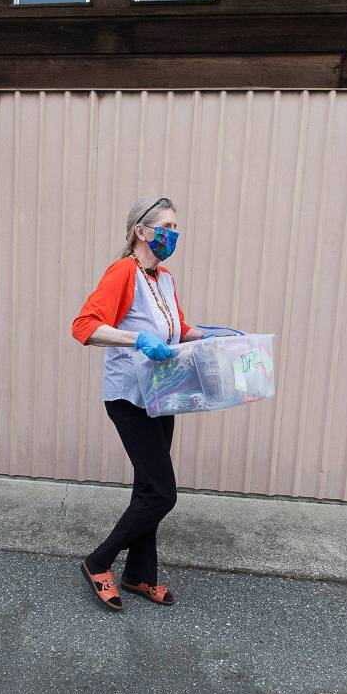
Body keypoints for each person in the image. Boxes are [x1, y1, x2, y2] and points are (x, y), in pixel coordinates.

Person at [71, 196, 232, 612]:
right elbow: (85, 326)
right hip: (129, 397)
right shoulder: (123, 272)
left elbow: (177, 327)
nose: (173, 234)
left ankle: (140, 575)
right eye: (166, 226)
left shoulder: (164, 279)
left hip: (161, 393)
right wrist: (137, 339)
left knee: (147, 487)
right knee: (162, 493)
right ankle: (98, 562)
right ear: (141, 231)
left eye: (176, 227)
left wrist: (213, 335)